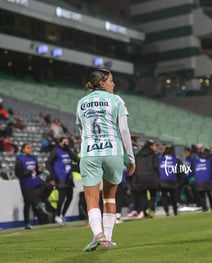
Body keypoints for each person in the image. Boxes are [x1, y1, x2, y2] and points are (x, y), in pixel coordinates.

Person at [76, 68, 135, 251]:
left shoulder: (81, 102)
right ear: (102, 83)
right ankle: (107, 238)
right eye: (111, 80)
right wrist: (130, 157)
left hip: (90, 152)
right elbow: (124, 130)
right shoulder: (116, 100)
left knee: (91, 198)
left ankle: (97, 233)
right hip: (113, 151)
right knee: (109, 197)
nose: (113, 84)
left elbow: (81, 131)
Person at [15, 143, 53, 229]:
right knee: (27, 203)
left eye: (31, 148)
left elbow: (35, 171)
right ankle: (27, 223)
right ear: (23, 149)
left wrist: (39, 170)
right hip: (26, 184)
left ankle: (42, 202)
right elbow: (18, 173)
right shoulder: (20, 159)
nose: (30, 149)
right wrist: (29, 172)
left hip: (36, 181)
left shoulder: (33, 158)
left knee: (49, 186)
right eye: (28, 148)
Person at [45, 136, 79, 226]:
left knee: (70, 197)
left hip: (69, 178)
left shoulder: (68, 151)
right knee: (62, 198)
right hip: (60, 178)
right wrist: (53, 174)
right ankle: (57, 215)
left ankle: (62, 215)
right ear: (60, 143)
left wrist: (69, 150)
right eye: (64, 142)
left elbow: (76, 159)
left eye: (67, 142)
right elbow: (48, 163)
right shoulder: (56, 151)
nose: (66, 143)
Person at [129, 140, 160, 219]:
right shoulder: (153, 155)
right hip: (152, 178)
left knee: (143, 195)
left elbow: (135, 167)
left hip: (141, 178)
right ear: (150, 146)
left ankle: (142, 211)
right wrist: (158, 176)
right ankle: (151, 209)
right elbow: (156, 166)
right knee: (153, 194)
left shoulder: (139, 155)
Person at [158, 145, 182, 216]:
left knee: (164, 196)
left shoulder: (160, 159)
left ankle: (167, 211)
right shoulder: (176, 159)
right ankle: (175, 211)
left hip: (162, 180)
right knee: (173, 196)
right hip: (172, 179)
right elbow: (180, 171)